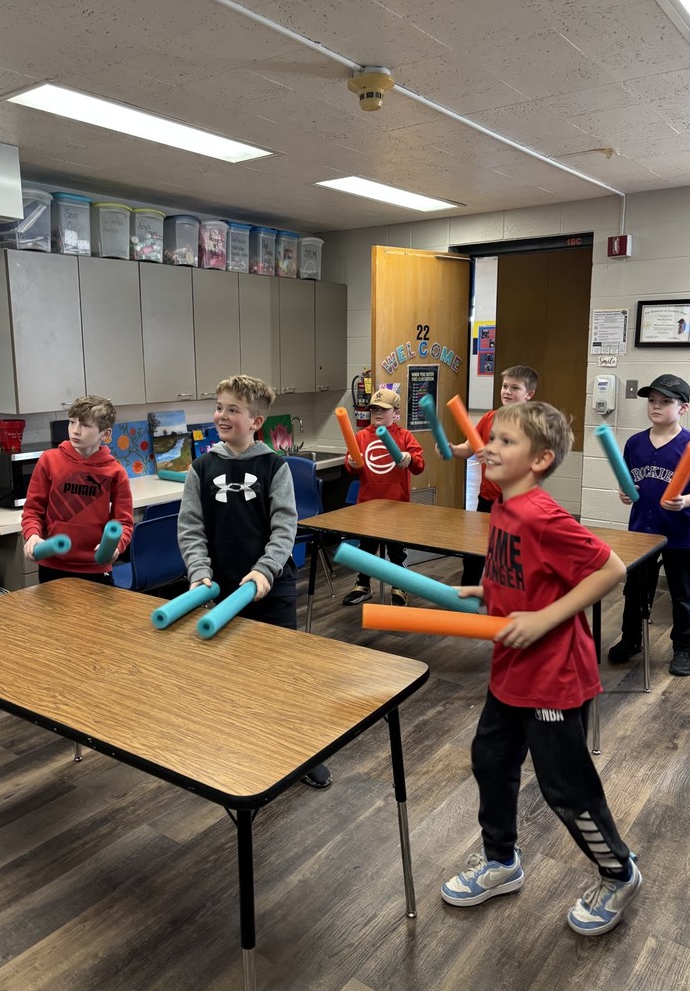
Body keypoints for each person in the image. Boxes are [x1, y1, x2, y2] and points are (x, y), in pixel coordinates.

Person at [441, 401, 641, 936]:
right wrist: (487, 589)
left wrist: (544, 619)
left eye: (506, 441)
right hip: (510, 669)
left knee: (565, 788)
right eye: (493, 438)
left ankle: (617, 872)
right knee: (490, 761)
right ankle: (501, 861)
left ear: (540, 459)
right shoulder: (504, 507)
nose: (490, 447)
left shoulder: (542, 513)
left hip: (553, 676)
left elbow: (611, 569)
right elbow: (525, 573)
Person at [177, 374, 332, 789]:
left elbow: (285, 527)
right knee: (230, 674)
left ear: (256, 420)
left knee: (281, 674)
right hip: (223, 589)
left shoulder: (273, 467)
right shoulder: (201, 467)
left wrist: (264, 570)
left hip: (271, 585)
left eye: (233, 409)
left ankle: (302, 751)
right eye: (219, 406)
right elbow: (191, 528)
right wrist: (199, 572)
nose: (222, 415)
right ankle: (242, 750)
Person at [607, 373, 690, 678]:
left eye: (665, 402)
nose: (656, 406)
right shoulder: (635, 443)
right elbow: (631, 482)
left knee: (682, 595)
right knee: (635, 592)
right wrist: (624, 493)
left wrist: (687, 501)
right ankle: (631, 639)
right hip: (642, 533)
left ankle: (683, 648)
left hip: (681, 534)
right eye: (652, 401)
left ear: (683, 408)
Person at [22, 395, 133, 583]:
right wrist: (32, 535)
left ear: (105, 434)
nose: (75, 431)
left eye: (85, 425)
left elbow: (123, 522)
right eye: (72, 422)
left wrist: (117, 546)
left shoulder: (115, 472)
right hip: (52, 565)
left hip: (96, 567)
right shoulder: (49, 461)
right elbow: (33, 510)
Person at [448, 365, 538, 586]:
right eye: (505, 386)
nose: (507, 391)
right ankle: (466, 603)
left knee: (509, 557)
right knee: (474, 554)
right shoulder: (489, 418)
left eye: (515, 387)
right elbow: (469, 447)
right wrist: (452, 449)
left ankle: (510, 606)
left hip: (516, 503)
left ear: (529, 394)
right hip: (487, 499)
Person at [341, 387, 425, 607]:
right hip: (369, 504)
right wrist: (349, 463)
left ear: (396, 413)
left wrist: (410, 458)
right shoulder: (361, 436)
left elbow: (419, 465)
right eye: (374, 409)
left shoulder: (405, 436)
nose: (377, 413)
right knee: (366, 548)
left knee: (397, 550)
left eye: (383, 409)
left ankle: (400, 585)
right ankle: (362, 585)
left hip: (397, 504)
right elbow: (351, 465)